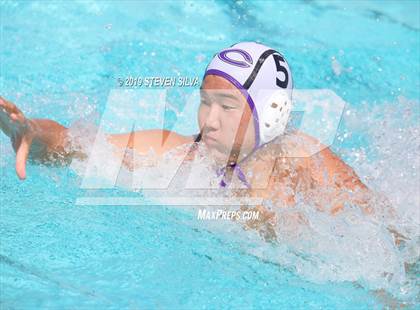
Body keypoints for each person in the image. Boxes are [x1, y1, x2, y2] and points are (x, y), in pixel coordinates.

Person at [0, 42, 372, 237]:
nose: (208, 121)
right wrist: (30, 131)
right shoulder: (177, 152)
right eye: (204, 103)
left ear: (271, 112)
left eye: (225, 106)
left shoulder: (306, 160)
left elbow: (385, 242)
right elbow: (75, 144)